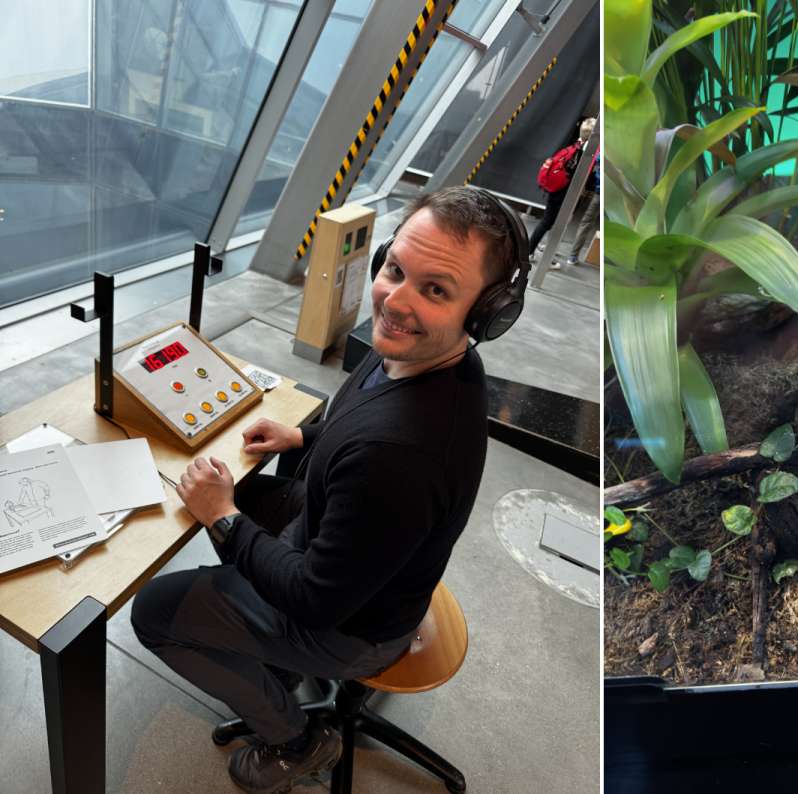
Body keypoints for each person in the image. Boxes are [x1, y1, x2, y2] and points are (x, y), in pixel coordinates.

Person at [131, 186, 523, 793]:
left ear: (484, 314)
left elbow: (315, 600)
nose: (396, 300)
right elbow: (360, 430)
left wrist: (224, 518)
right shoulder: (425, 357)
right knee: (250, 494)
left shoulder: (400, 454)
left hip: (350, 629)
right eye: (396, 270)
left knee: (154, 611)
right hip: (371, 573)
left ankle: (294, 740)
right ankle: (271, 664)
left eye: (436, 289)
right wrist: (304, 436)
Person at [528, 116, 595, 263]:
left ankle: (536, 251)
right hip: (565, 192)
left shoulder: (576, 145)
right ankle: (535, 253)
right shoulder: (584, 153)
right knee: (552, 222)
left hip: (557, 189)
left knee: (549, 221)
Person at [564, 151, 600, 267]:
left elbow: (596, 160)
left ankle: (573, 256)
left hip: (599, 193)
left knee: (586, 223)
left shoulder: (603, 151)